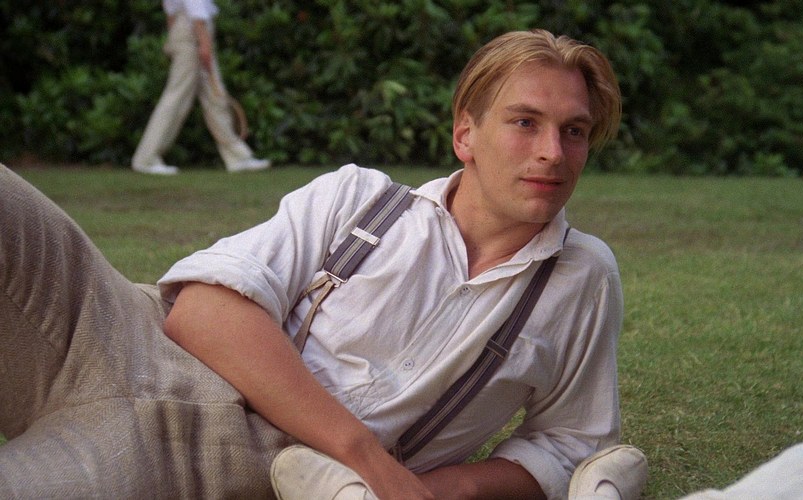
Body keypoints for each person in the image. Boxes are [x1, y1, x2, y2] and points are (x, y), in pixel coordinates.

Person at [0, 29, 641, 499]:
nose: (552, 152)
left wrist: (445, 489)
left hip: (208, 461)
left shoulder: (580, 278)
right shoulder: (360, 197)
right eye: (525, 122)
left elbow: (569, 441)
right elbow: (202, 311)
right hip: (112, 332)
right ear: (464, 134)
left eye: (574, 131)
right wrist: (368, 457)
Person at [131, 0, 271, 175]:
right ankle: (146, 159)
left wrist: (176, 37)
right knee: (176, 98)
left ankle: (237, 157)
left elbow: (171, 12)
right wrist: (204, 42)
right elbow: (194, 6)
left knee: (215, 97)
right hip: (194, 33)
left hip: (190, 31)